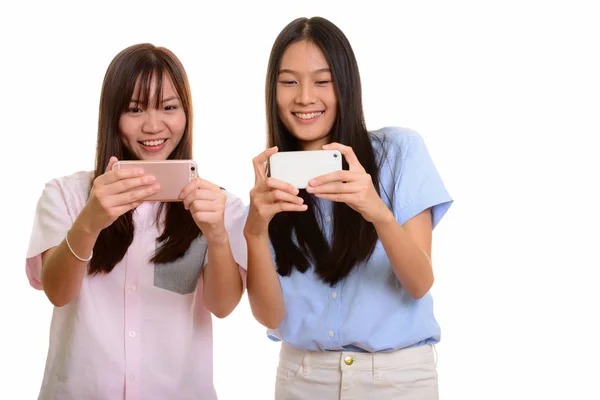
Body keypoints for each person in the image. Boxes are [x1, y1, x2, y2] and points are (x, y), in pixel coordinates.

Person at [244, 17, 453, 399]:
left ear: (346, 86)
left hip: (397, 379)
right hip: (303, 378)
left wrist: (377, 211)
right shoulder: (271, 183)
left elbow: (420, 282)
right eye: (289, 82)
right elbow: (270, 317)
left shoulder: (398, 152)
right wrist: (254, 231)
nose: (305, 97)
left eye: (322, 82)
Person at [25, 43, 247, 400]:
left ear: (186, 114)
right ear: (113, 116)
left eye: (169, 107)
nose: (153, 125)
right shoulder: (67, 194)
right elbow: (57, 291)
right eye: (135, 109)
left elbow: (222, 307)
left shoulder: (217, 205)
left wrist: (218, 236)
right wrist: (90, 221)